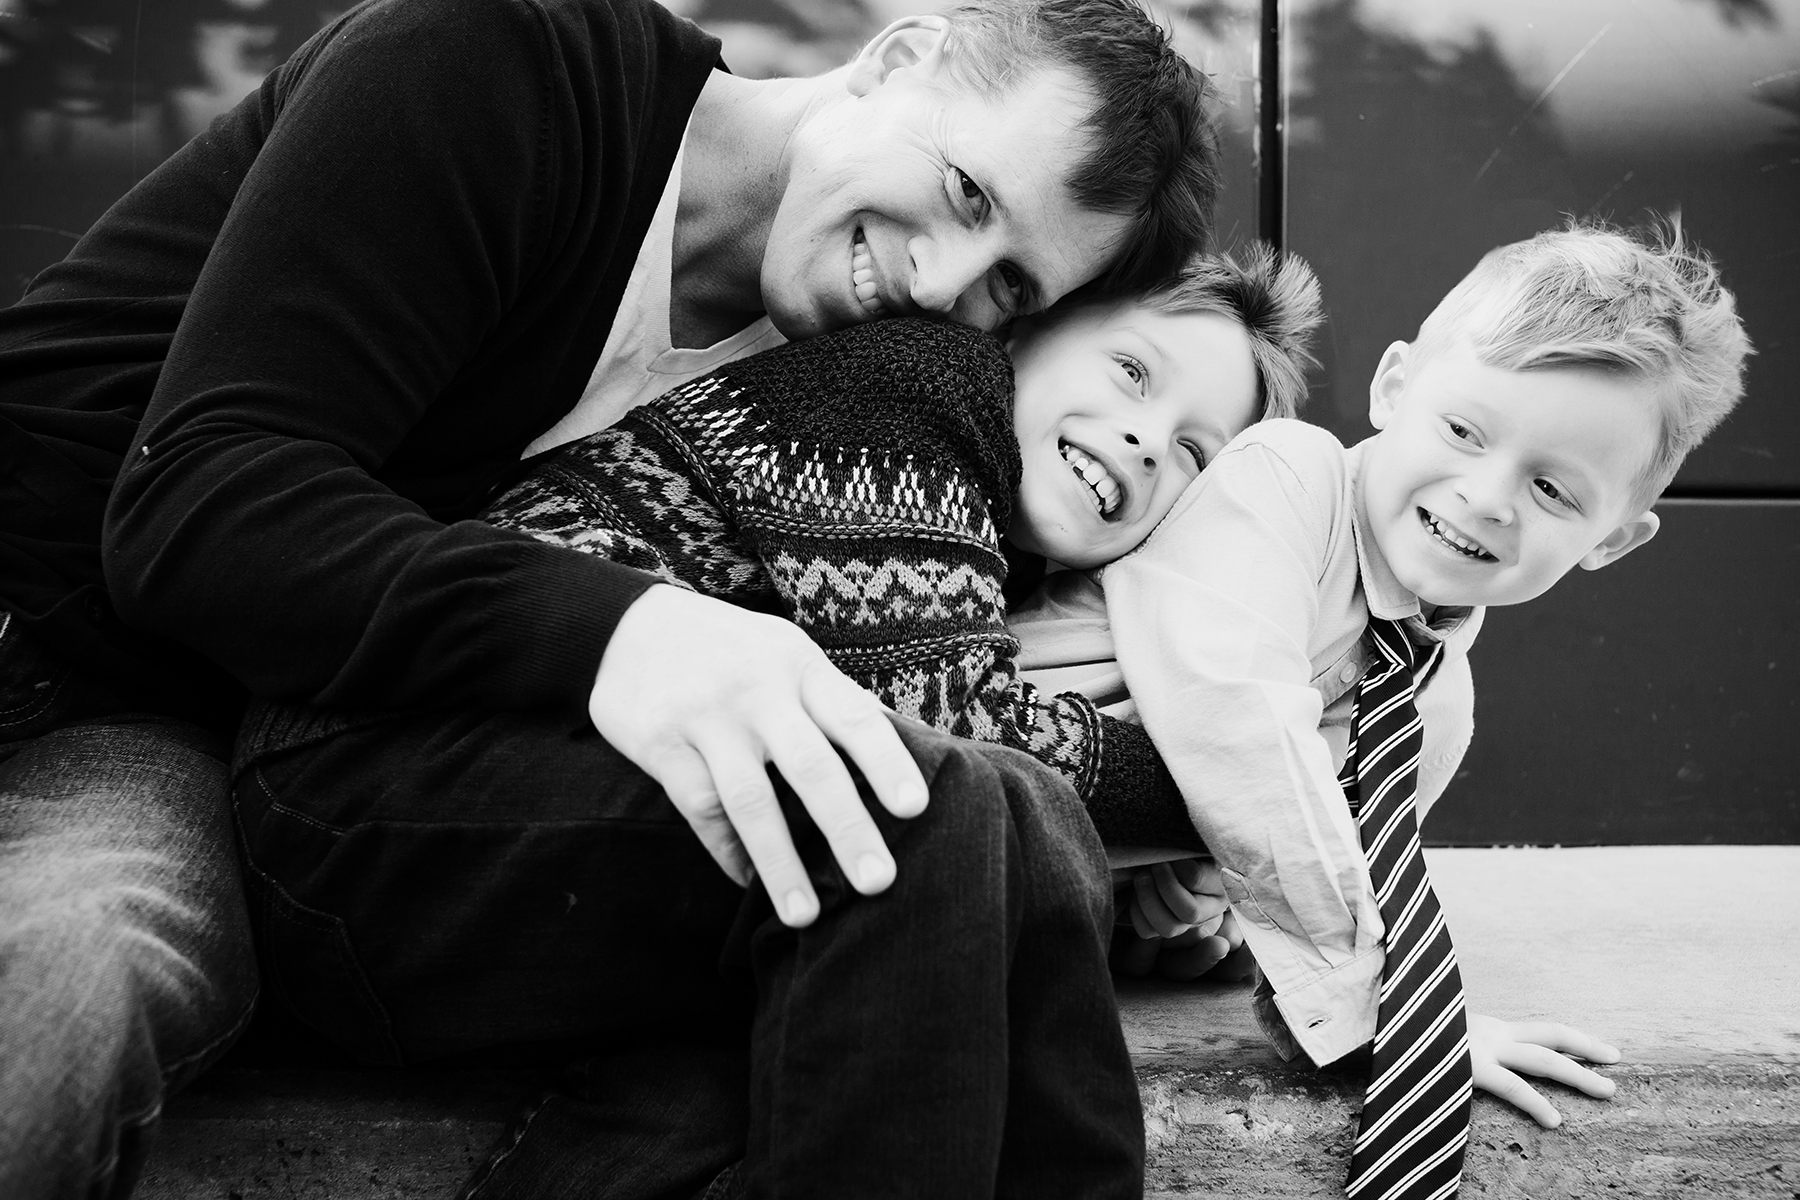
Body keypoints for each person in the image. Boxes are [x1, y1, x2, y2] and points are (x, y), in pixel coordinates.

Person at [0, 0, 1219, 1194]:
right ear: (901, 58)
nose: (944, 281)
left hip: (189, 748)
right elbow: (199, 504)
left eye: (1011, 289)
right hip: (46, 629)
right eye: (966, 193)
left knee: (63, 998)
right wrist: (628, 632)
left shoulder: (842, 364)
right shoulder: (497, 62)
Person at [1009, 221, 1751, 1194]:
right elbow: (1235, 723)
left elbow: (1319, 860)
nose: (1488, 497)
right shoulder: (1288, 476)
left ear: (1611, 541)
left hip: (1036, 882)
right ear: (1394, 387)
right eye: (1464, 431)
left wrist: (1181, 908)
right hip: (939, 777)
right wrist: (1395, 1016)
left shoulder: (1432, 708)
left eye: (1553, 489)